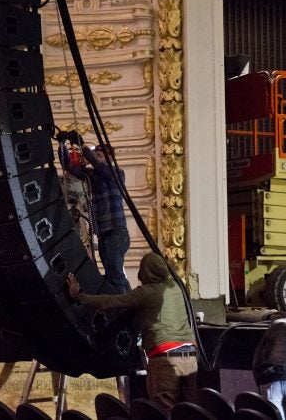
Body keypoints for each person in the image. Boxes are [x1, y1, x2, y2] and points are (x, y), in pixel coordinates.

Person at [67, 252, 197, 411]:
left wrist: (81, 297)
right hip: (190, 357)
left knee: (165, 411)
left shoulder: (146, 292)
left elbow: (112, 301)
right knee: (190, 411)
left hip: (165, 361)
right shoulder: (178, 288)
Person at [59, 136, 131, 293]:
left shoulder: (117, 173)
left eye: (99, 154)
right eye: (95, 153)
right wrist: (62, 144)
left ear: (110, 157)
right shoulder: (92, 176)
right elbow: (69, 165)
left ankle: (123, 308)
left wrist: (82, 145)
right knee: (114, 276)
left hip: (116, 233)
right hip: (106, 235)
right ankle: (128, 302)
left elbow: (101, 167)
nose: (95, 157)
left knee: (116, 277)